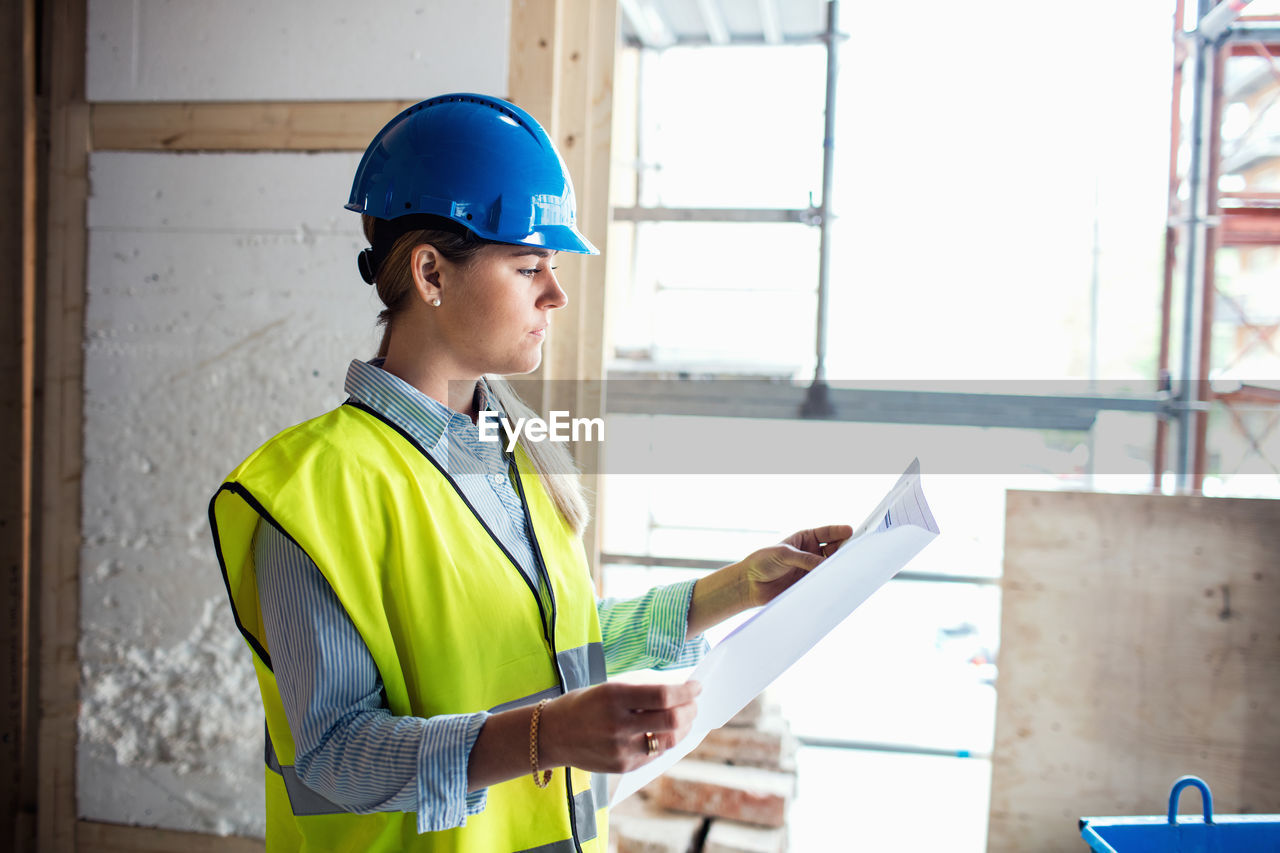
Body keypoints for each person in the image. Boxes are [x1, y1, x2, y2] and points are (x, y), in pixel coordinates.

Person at [209, 93, 852, 853]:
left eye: (554, 264)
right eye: (528, 265)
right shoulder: (311, 491)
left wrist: (736, 588)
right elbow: (335, 757)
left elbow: (548, 646)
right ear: (430, 273)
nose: (557, 291)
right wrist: (547, 736)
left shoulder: (509, 448)